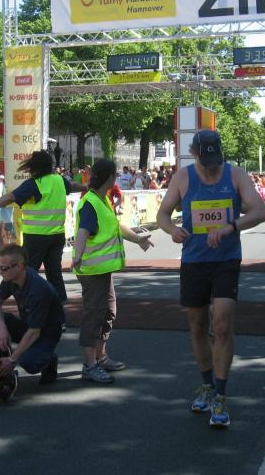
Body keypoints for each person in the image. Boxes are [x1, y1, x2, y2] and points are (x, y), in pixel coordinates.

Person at [157, 130, 265, 427]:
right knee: (197, 326)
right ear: (194, 154)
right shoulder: (183, 177)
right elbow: (162, 215)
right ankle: (206, 385)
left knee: (221, 325)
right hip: (194, 260)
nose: (210, 167)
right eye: (205, 162)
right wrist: (172, 230)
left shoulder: (235, 175)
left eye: (214, 161)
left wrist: (231, 226)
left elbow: (260, 211)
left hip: (226, 260)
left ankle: (220, 393)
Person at [72, 159, 153, 383]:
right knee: (94, 315)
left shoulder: (102, 199)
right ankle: (89, 365)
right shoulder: (91, 202)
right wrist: (77, 255)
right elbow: (83, 231)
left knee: (108, 312)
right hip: (92, 271)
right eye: (115, 175)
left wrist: (137, 238)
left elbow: (115, 227)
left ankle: (100, 357)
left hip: (102, 270)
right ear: (110, 178)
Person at [0, 150, 86, 303]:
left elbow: (11, 197)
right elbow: (72, 186)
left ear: (35, 167)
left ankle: (22, 303)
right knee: (54, 273)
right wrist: (87, 187)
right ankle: (59, 309)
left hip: (36, 237)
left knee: (25, 272)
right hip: (57, 236)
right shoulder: (59, 180)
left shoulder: (34, 184)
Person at [0, 243, 64, 388]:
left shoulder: (38, 290)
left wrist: (12, 360)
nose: (0, 271)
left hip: (46, 331)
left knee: (30, 363)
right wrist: (2, 330)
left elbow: (35, 332)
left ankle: (49, 359)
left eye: (4, 268)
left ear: (19, 266)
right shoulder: (10, 278)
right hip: (29, 325)